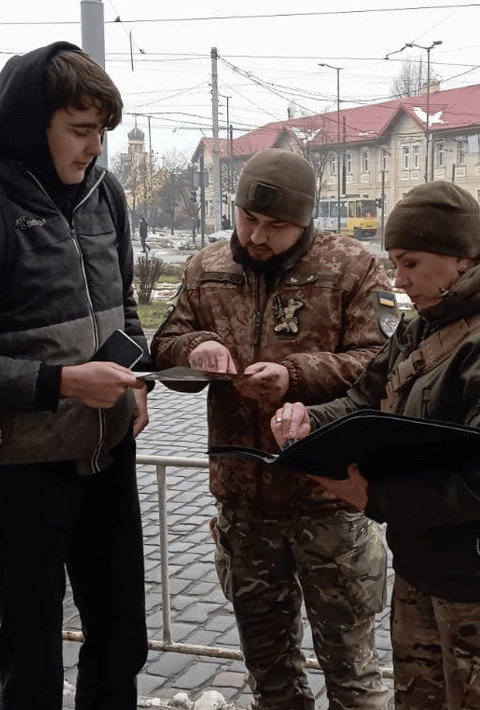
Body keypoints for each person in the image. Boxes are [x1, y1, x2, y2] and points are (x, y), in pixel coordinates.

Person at [0, 41, 149, 710]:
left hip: (109, 453)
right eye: (80, 130)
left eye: (101, 132)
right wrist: (65, 384)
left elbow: (120, 306)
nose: (94, 148)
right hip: (22, 471)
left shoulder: (105, 196)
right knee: (33, 656)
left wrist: (139, 378)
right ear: (29, 121)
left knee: (123, 639)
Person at [270, 180, 480, 710]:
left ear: (458, 257)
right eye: (394, 263)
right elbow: (363, 402)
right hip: (424, 560)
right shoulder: (425, 325)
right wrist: (309, 422)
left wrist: (376, 500)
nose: (398, 281)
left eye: (410, 263)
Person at [151, 148, 394, 710]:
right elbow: (164, 349)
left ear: (307, 221)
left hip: (329, 501)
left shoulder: (351, 267)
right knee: (269, 673)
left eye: (276, 226)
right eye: (247, 219)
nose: (257, 236)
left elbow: (381, 363)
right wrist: (196, 348)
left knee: (352, 674)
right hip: (244, 503)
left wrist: (295, 376)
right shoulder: (206, 267)